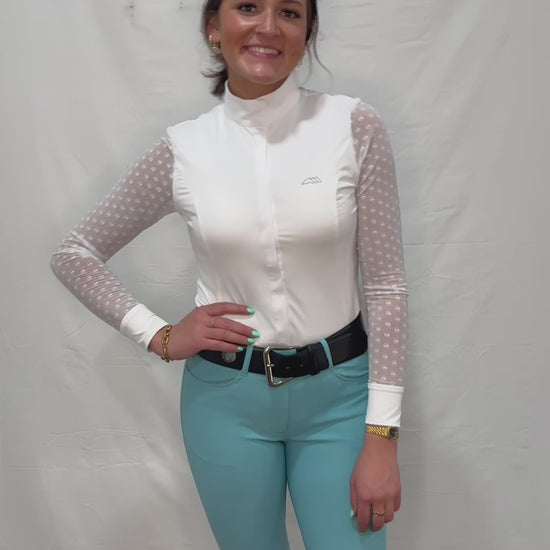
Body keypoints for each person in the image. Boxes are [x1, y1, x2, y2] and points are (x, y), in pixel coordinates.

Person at [51, 1, 408, 549]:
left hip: (339, 401)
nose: (268, 26)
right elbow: (74, 253)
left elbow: (385, 288)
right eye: (247, 7)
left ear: (307, 32)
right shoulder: (184, 149)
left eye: (289, 12)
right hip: (226, 404)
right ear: (213, 27)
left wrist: (382, 434)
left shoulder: (353, 126)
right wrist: (160, 335)